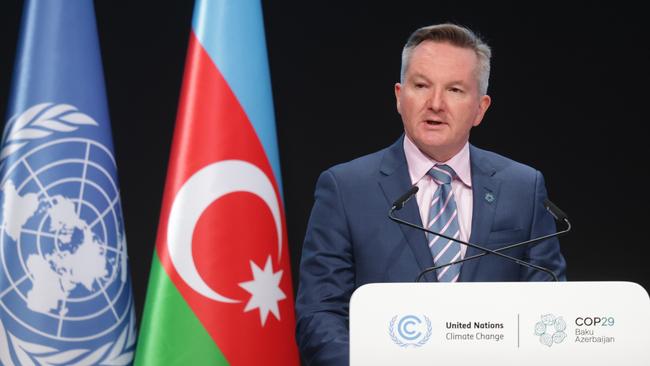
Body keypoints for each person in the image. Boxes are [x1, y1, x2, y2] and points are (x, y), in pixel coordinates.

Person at [294, 23, 567, 365]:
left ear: (480, 108)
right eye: (421, 85)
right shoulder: (345, 188)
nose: (435, 103)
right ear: (399, 95)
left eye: (454, 90)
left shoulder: (523, 187)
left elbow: (548, 307)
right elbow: (320, 314)